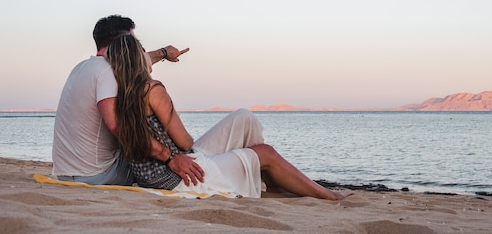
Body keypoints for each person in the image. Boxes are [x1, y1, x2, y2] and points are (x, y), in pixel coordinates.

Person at [106, 34, 342, 199]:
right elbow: (185, 143)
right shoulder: (152, 89)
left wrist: (165, 53)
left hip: (155, 174)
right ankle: (327, 195)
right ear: (139, 58)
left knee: (243, 117)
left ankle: (267, 182)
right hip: (179, 176)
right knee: (266, 152)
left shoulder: (116, 92)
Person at [52, 15, 202, 186]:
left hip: (66, 172)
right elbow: (119, 127)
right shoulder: (108, 72)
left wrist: (164, 53)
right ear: (123, 43)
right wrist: (171, 158)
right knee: (150, 144)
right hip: (98, 174)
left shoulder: (82, 67)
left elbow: (136, 62)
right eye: (132, 40)